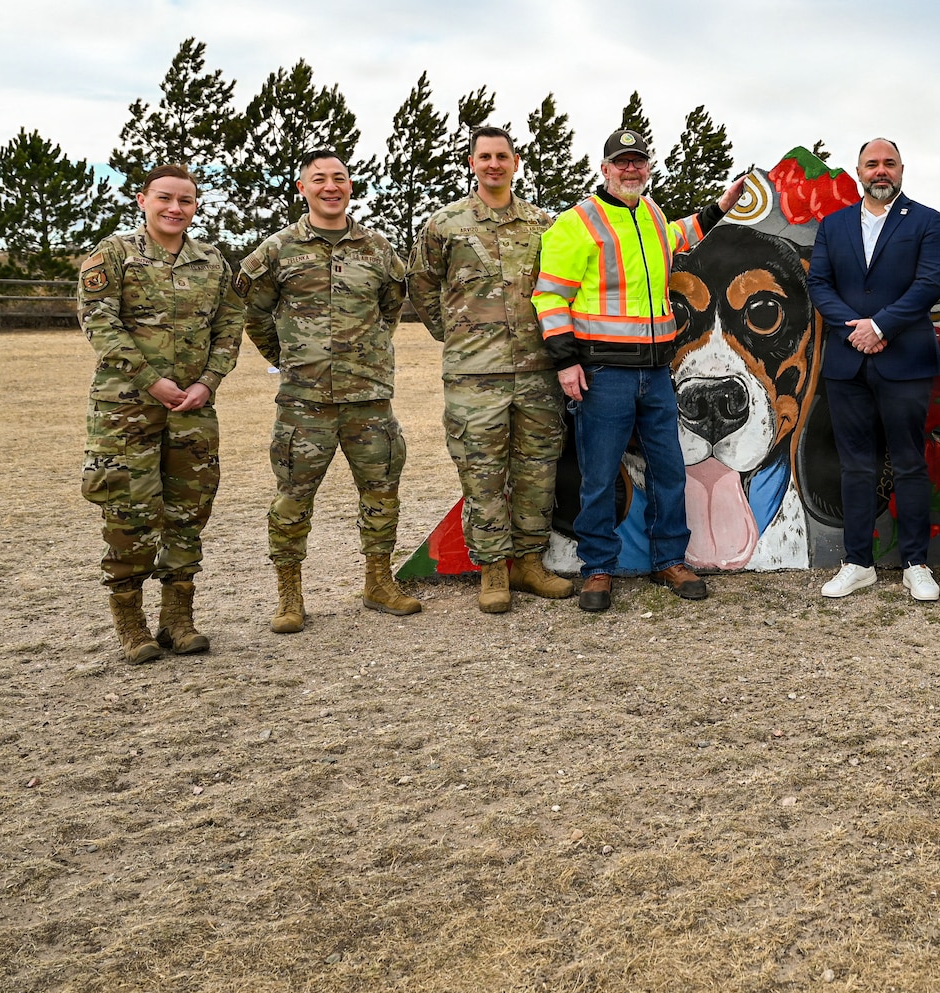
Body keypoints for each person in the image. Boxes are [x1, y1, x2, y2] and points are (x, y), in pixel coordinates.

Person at [532, 128, 746, 612]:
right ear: (604, 169)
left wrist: (719, 207)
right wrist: (566, 362)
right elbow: (549, 295)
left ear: (647, 169)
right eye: (621, 162)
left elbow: (675, 239)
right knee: (600, 476)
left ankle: (669, 559)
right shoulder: (577, 222)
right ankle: (598, 568)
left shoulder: (650, 213)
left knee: (670, 470)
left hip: (656, 373)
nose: (631, 169)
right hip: (604, 373)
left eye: (639, 161)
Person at [239, 149, 418, 632]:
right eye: (319, 179)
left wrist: (365, 356)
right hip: (305, 402)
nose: (330, 186)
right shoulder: (277, 250)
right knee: (293, 497)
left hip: (368, 399)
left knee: (381, 492)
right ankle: (290, 598)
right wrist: (287, 358)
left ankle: (379, 582)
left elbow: (390, 308)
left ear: (351, 186)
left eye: (339, 178)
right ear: (302, 188)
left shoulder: (379, 250)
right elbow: (253, 312)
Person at [77, 165, 245, 663]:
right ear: (141, 200)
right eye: (165, 199)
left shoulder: (211, 260)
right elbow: (98, 321)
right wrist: (150, 379)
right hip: (126, 409)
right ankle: (132, 626)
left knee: (187, 512)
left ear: (196, 207)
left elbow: (230, 324)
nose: (175, 208)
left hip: (193, 409)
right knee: (128, 512)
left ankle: (178, 619)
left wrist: (207, 381)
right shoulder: (114, 254)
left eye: (186, 201)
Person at [408, 125, 573, 615]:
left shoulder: (545, 226)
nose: (494, 164)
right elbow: (422, 285)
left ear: (516, 162)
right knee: (481, 474)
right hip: (473, 375)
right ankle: (493, 568)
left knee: (537, 472)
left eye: (502, 156)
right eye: (485, 157)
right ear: (473, 163)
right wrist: (457, 336)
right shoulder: (445, 224)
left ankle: (528, 561)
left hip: (537, 369)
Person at [806, 138, 940, 602]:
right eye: (872, 164)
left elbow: (930, 283)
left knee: (909, 463)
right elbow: (819, 283)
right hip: (848, 361)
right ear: (859, 172)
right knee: (855, 466)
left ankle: (916, 564)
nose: (881, 171)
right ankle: (857, 564)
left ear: (902, 169)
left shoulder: (926, 222)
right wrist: (854, 328)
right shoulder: (835, 225)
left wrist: (881, 324)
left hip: (904, 360)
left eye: (889, 163)